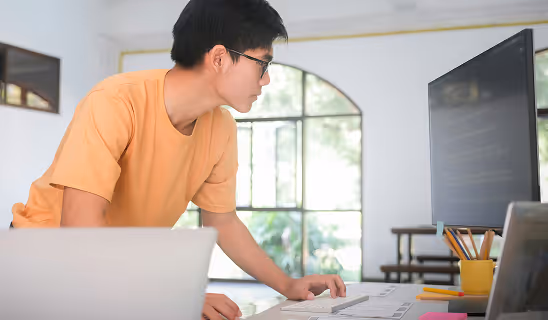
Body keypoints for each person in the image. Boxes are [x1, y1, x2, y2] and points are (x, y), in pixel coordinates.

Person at [11, 0, 347, 319]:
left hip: (107, 274)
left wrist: (288, 285)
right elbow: (80, 233)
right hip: (40, 265)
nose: (267, 79)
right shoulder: (114, 101)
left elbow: (223, 223)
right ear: (219, 58)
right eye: (263, 63)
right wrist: (174, 295)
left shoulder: (222, 127)